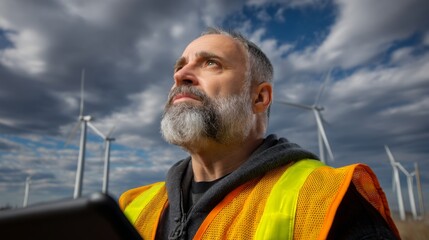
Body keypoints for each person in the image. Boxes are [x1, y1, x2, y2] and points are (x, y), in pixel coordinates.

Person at [119, 27, 400, 239]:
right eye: (180, 67)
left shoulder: (327, 200)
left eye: (210, 63)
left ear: (260, 98)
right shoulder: (133, 207)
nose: (181, 75)